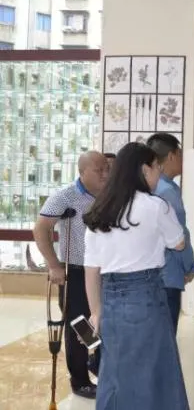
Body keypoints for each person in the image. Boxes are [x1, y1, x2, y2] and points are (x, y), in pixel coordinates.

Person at [82, 142, 189, 409]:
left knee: (114, 370)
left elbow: (91, 269)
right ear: (144, 170)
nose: (159, 172)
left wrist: (96, 312)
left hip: (110, 297)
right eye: (156, 167)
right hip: (145, 294)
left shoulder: (99, 210)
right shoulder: (156, 206)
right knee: (153, 368)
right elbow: (178, 243)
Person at [33, 151, 108, 399]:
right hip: (76, 271)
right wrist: (54, 265)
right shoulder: (65, 196)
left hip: (106, 271)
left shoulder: (110, 194)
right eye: (99, 170)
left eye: (107, 169)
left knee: (103, 321)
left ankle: (100, 365)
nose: (105, 174)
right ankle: (80, 380)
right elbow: (41, 228)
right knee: (80, 325)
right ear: (82, 172)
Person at [146, 133, 194, 333]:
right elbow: (179, 236)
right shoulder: (167, 191)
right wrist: (190, 266)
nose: (182, 159)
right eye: (180, 154)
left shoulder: (150, 187)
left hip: (150, 273)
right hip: (167, 272)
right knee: (166, 335)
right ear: (171, 156)